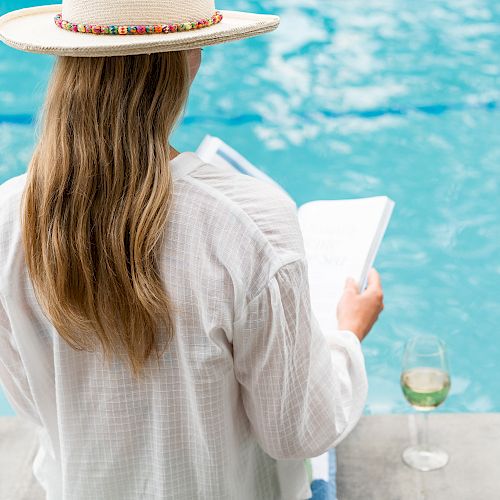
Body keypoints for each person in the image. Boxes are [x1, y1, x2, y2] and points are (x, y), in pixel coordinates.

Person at [0, 1, 384, 499]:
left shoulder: (9, 216)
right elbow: (298, 433)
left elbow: (32, 400)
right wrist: (346, 337)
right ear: (191, 57)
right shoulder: (248, 223)